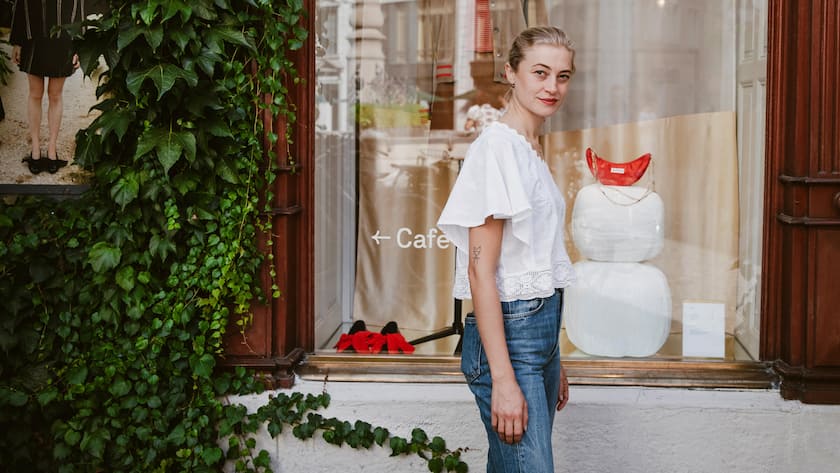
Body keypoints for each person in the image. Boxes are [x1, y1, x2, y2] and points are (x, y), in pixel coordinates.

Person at [437, 26, 576, 472]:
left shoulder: (529, 147)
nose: (552, 87)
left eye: (563, 76)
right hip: (510, 340)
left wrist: (552, 354)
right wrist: (504, 378)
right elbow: (482, 271)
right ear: (511, 73)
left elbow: (533, 261)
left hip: (538, 336)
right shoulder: (496, 148)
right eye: (540, 72)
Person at [10, 0, 81, 174]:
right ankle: (36, 150)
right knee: (36, 94)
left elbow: (78, 7)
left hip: (62, 39)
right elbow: (21, 4)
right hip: (33, 39)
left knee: (55, 95)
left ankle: (51, 150)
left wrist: (79, 46)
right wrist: (18, 42)